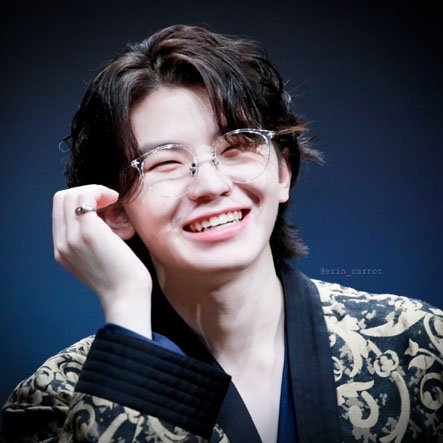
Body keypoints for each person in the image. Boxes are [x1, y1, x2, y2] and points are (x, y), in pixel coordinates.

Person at [1, 24, 442, 443]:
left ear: (283, 170)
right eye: (165, 163)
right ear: (115, 211)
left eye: (237, 146)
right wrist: (125, 302)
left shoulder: (421, 346)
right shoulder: (55, 397)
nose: (211, 185)